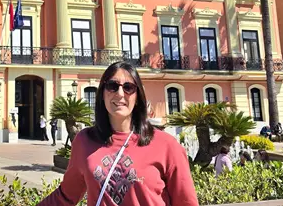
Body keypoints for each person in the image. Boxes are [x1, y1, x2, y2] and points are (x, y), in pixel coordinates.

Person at [38, 61, 198, 206]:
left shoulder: (167, 146)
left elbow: (186, 202)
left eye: (128, 87)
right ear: (102, 93)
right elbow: (66, 196)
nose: (120, 93)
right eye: (112, 86)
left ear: (138, 97)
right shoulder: (84, 141)